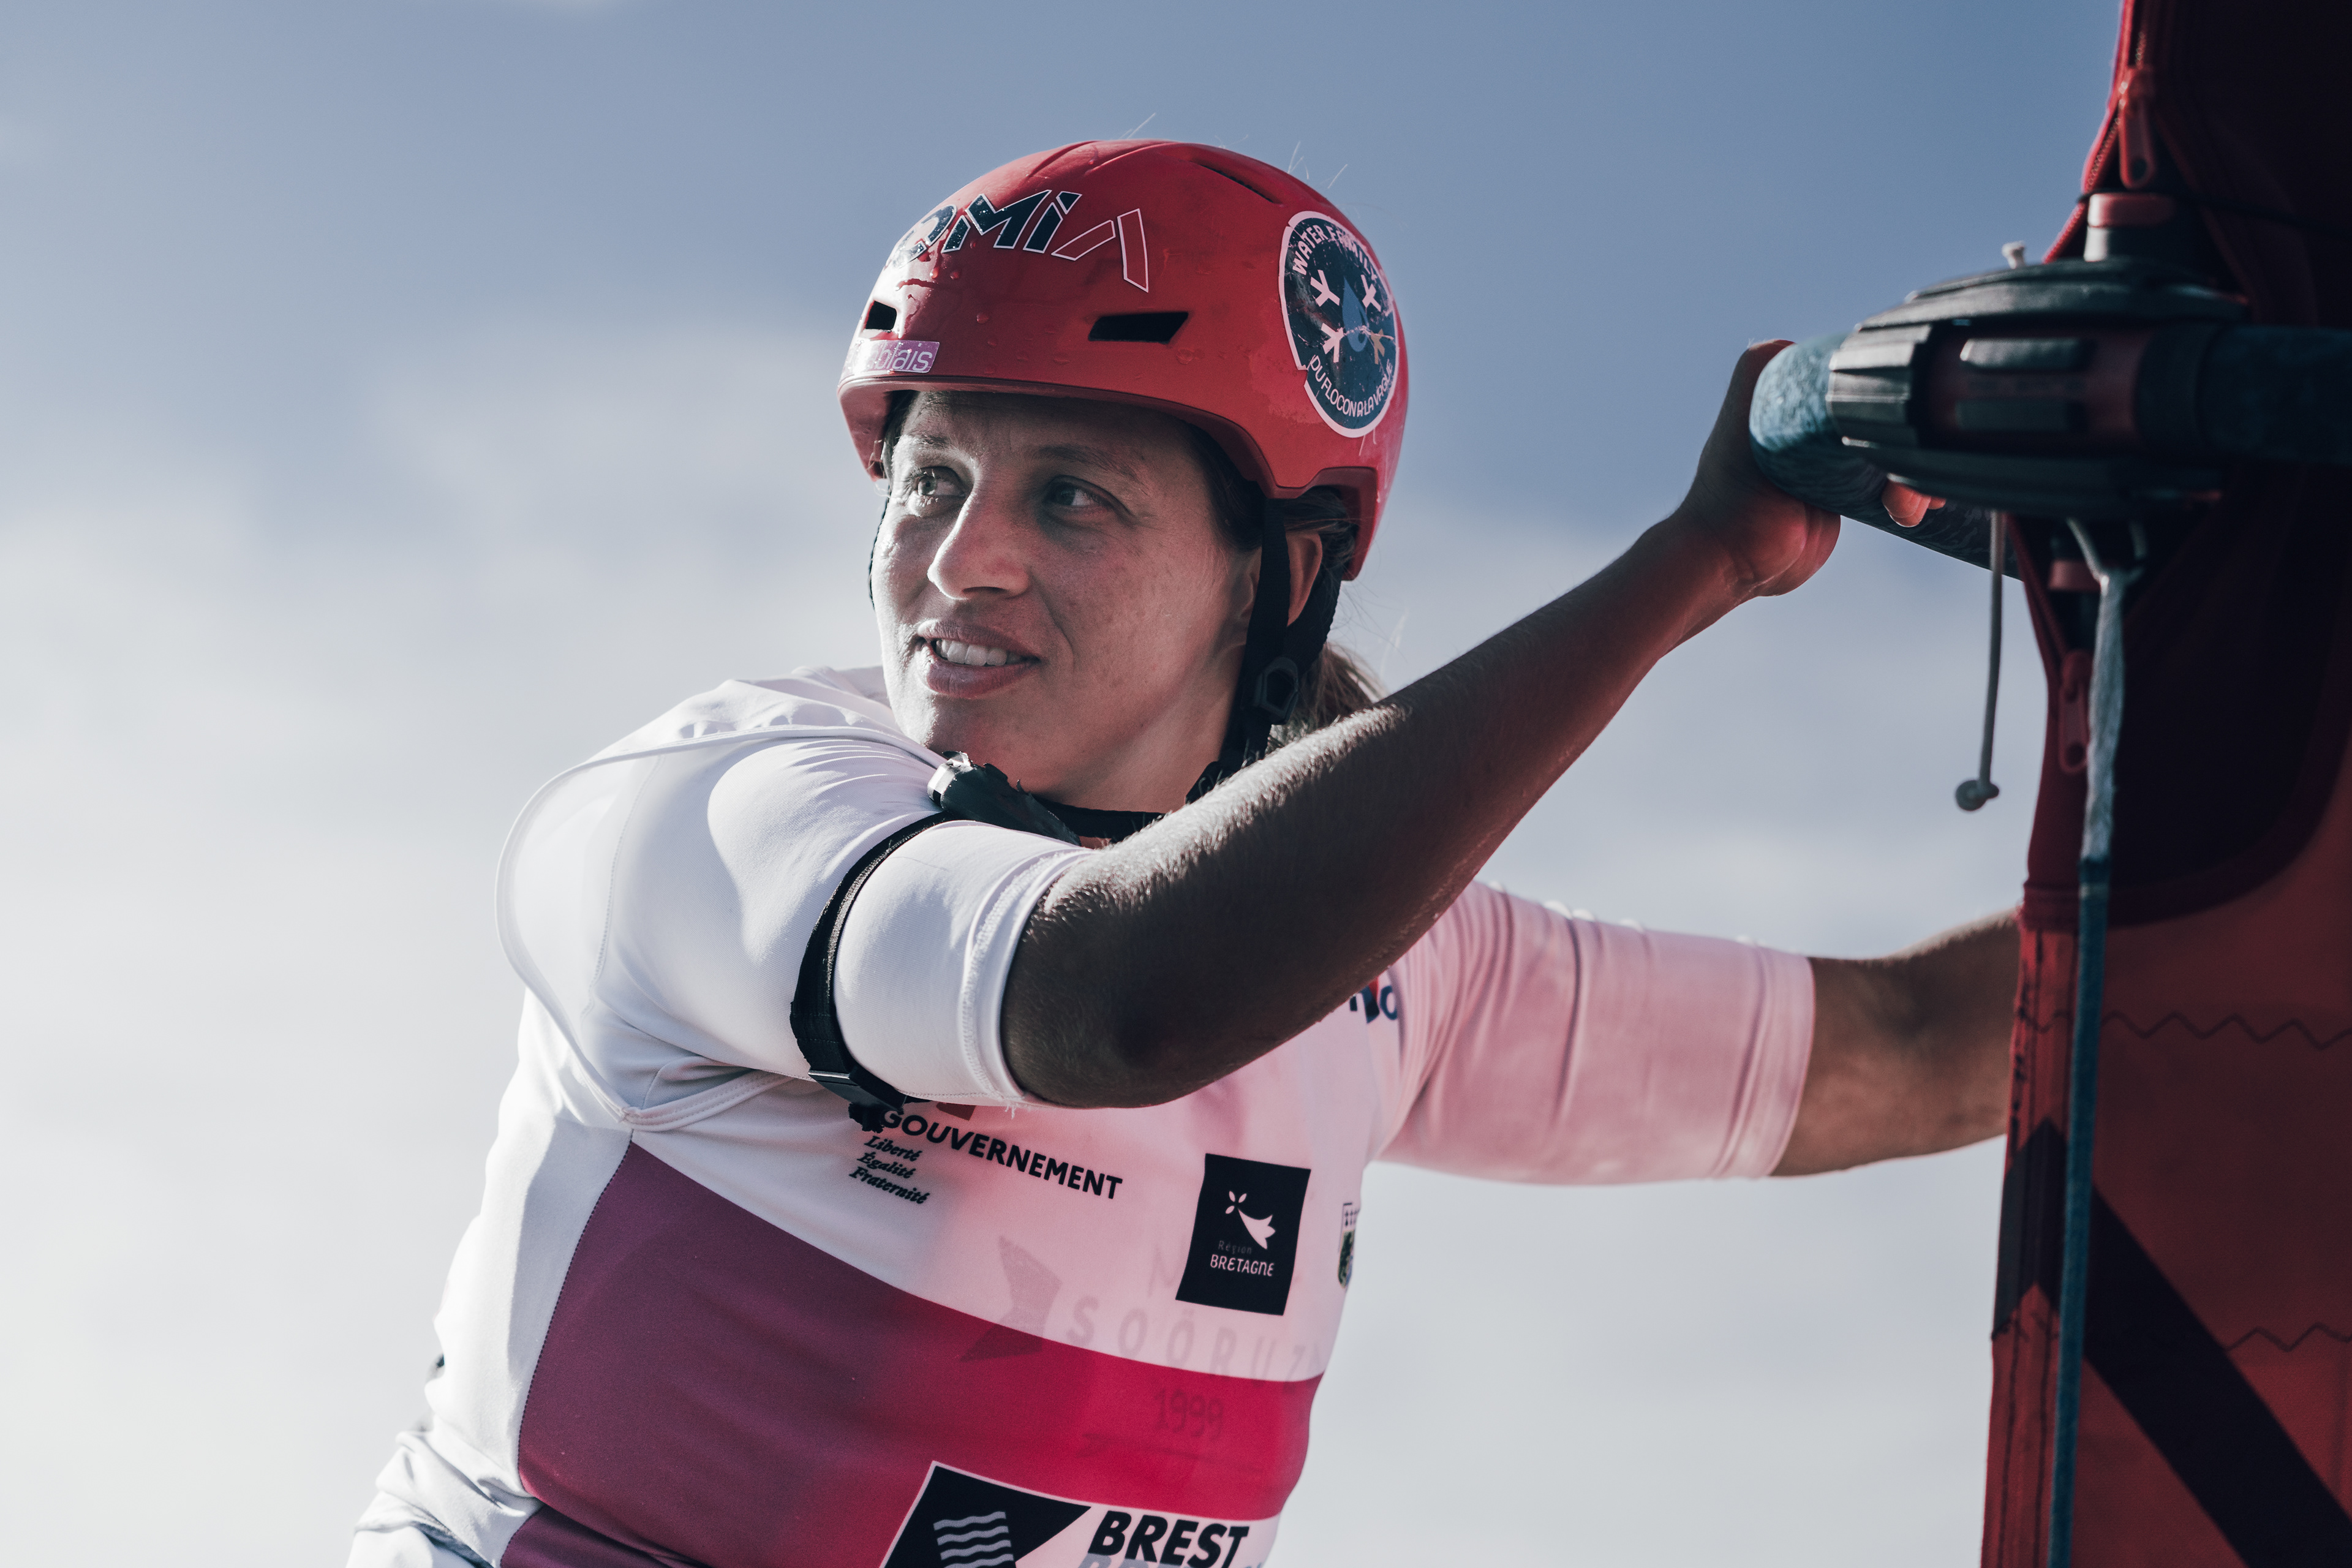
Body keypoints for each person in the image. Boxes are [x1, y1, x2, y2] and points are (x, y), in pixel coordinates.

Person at [350, 140, 2010, 1568]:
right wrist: (1701, 559)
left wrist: (2165, 663)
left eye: (1072, 498)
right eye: (931, 480)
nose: (962, 561)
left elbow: (1932, 1051)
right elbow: (1123, 999)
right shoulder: (715, 813)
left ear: (1275, 576)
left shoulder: (1393, 962)